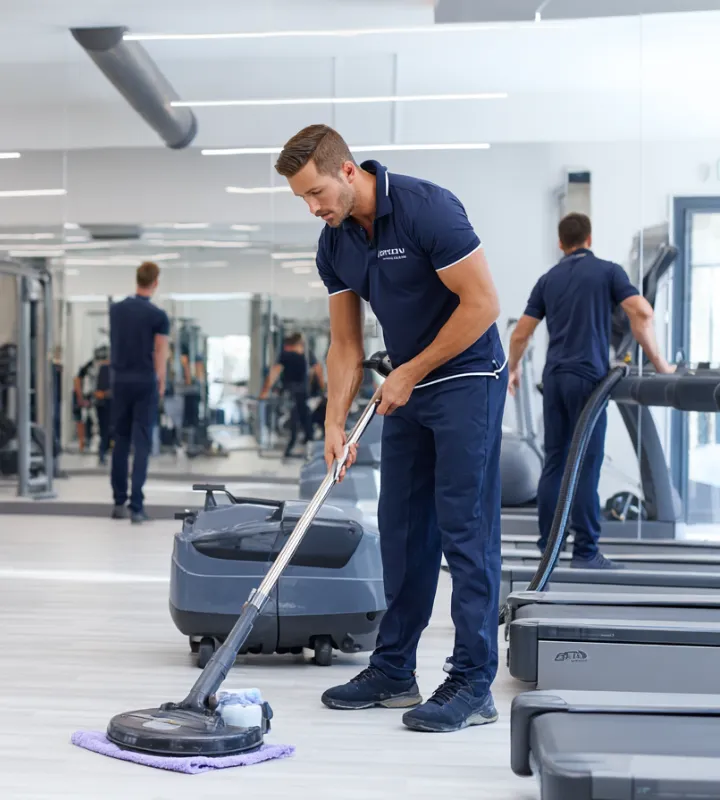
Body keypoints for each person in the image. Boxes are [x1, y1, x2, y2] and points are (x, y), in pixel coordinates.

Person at [275, 124, 506, 733]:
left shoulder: (429, 208)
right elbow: (346, 344)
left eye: (317, 191)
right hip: (404, 388)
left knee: (465, 529)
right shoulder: (335, 242)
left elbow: (483, 304)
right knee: (403, 531)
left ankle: (473, 682)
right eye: (302, 199)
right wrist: (333, 420)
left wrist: (412, 370)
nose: (313, 207)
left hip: (467, 378)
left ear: (348, 171)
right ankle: (394, 669)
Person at [508, 212, 675, 569]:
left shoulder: (548, 279)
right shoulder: (609, 272)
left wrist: (514, 368)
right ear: (590, 238)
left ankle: (548, 547)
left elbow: (521, 333)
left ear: (560, 242)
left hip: (554, 379)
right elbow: (642, 313)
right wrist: (660, 364)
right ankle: (585, 552)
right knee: (586, 465)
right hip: (590, 382)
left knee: (555, 462)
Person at [109, 262, 170, 524]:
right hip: (145, 381)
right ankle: (137, 507)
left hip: (120, 381)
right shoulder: (158, 316)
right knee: (142, 442)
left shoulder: (116, 311)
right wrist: (161, 381)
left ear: (137, 279)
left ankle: (118, 502)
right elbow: (160, 352)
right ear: (155, 282)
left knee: (121, 441)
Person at [259, 333, 324, 457]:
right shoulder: (305, 354)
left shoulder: (287, 355)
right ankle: (304, 444)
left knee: (298, 419)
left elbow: (274, 372)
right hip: (302, 393)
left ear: (288, 346)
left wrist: (264, 391)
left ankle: (296, 446)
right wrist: (322, 388)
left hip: (293, 393)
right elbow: (318, 369)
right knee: (303, 419)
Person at [93, 346, 112, 466]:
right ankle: (102, 453)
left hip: (108, 404)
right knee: (105, 431)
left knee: (107, 431)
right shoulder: (104, 369)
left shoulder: (104, 369)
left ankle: (103, 453)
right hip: (105, 404)